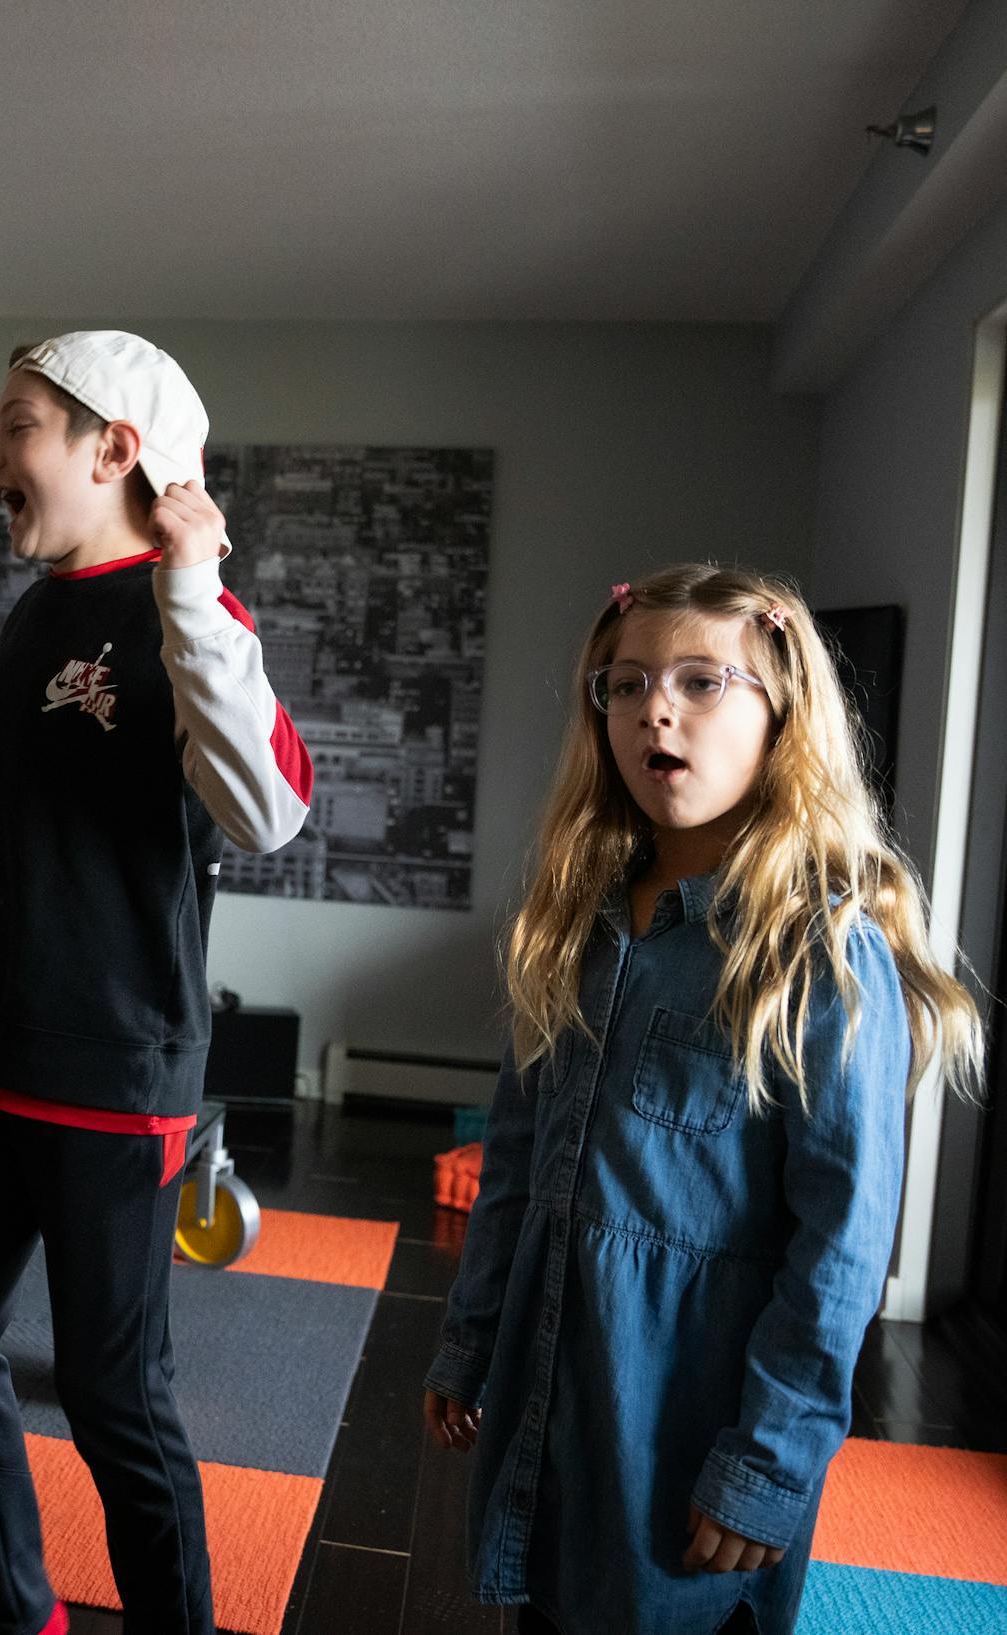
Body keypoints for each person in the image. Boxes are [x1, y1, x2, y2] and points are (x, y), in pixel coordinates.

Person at [421, 566, 984, 1635]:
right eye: (623, 687)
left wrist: (769, 1462)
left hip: (691, 1426)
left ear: (783, 717)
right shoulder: (574, 923)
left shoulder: (822, 955)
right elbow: (515, 1158)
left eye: (699, 681)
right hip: (553, 1400)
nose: (655, 711)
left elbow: (841, 1247)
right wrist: (470, 1335)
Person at [0, 331, 314, 1635]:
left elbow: (271, 806)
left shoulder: (185, 613)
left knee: (116, 1401)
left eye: (17, 423)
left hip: (109, 1078)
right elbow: (32, 791)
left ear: (112, 447)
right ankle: (16, 1613)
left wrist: (191, 586)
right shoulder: (38, 609)